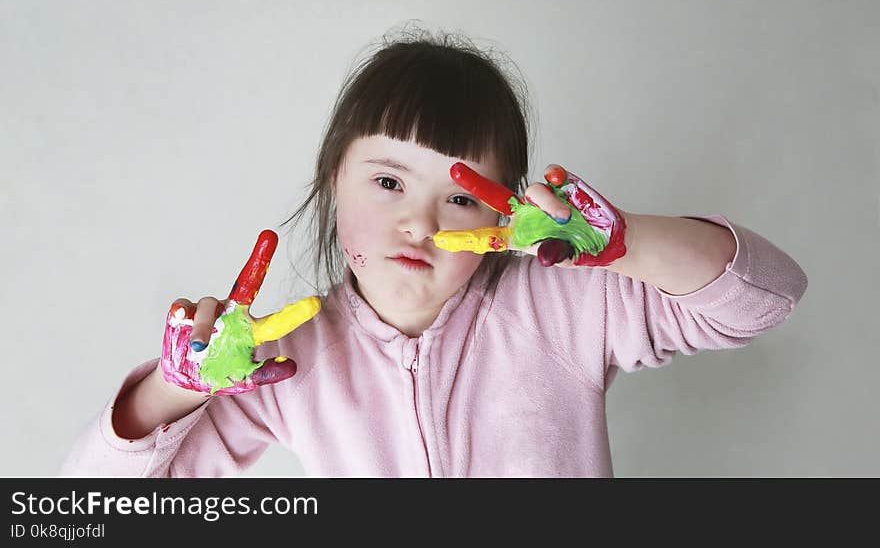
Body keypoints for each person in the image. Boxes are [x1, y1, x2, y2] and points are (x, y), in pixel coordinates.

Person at [61, 27, 808, 477]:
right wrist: (174, 387)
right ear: (333, 180)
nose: (418, 221)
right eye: (388, 181)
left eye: (459, 196)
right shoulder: (285, 359)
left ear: (505, 211)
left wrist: (627, 243)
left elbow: (769, 296)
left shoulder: (561, 305)